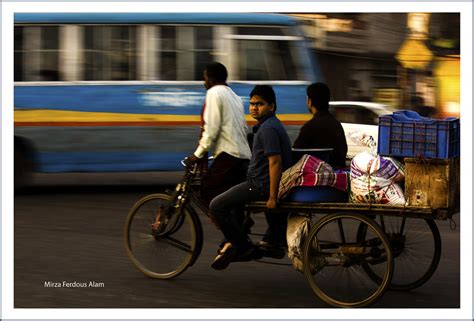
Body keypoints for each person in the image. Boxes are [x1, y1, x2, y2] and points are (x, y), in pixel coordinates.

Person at [209, 85, 292, 270]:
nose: (254, 107)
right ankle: (248, 236)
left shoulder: (268, 129)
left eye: (260, 104)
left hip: (259, 186)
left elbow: (275, 162)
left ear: (271, 106)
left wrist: (272, 196)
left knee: (216, 206)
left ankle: (242, 246)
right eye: (252, 104)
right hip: (258, 181)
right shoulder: (269, 125)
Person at [183, 62, 252, 208]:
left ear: (212, 79)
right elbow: (244, 128)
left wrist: (197, 155)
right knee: (229, 197)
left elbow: (211, 129)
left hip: (229, 155)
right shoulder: (234, 96)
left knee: (207, 190)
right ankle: (238, 225)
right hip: (243, 156)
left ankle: (229, 228)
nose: (204, 82)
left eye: (205, 78)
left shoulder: (214, 93)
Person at [293, 82, 348, 169]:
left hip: (314, 178)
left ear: (310, 101)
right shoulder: (337, 125)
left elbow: (295, 154)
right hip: (337, 177)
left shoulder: (309, 127)